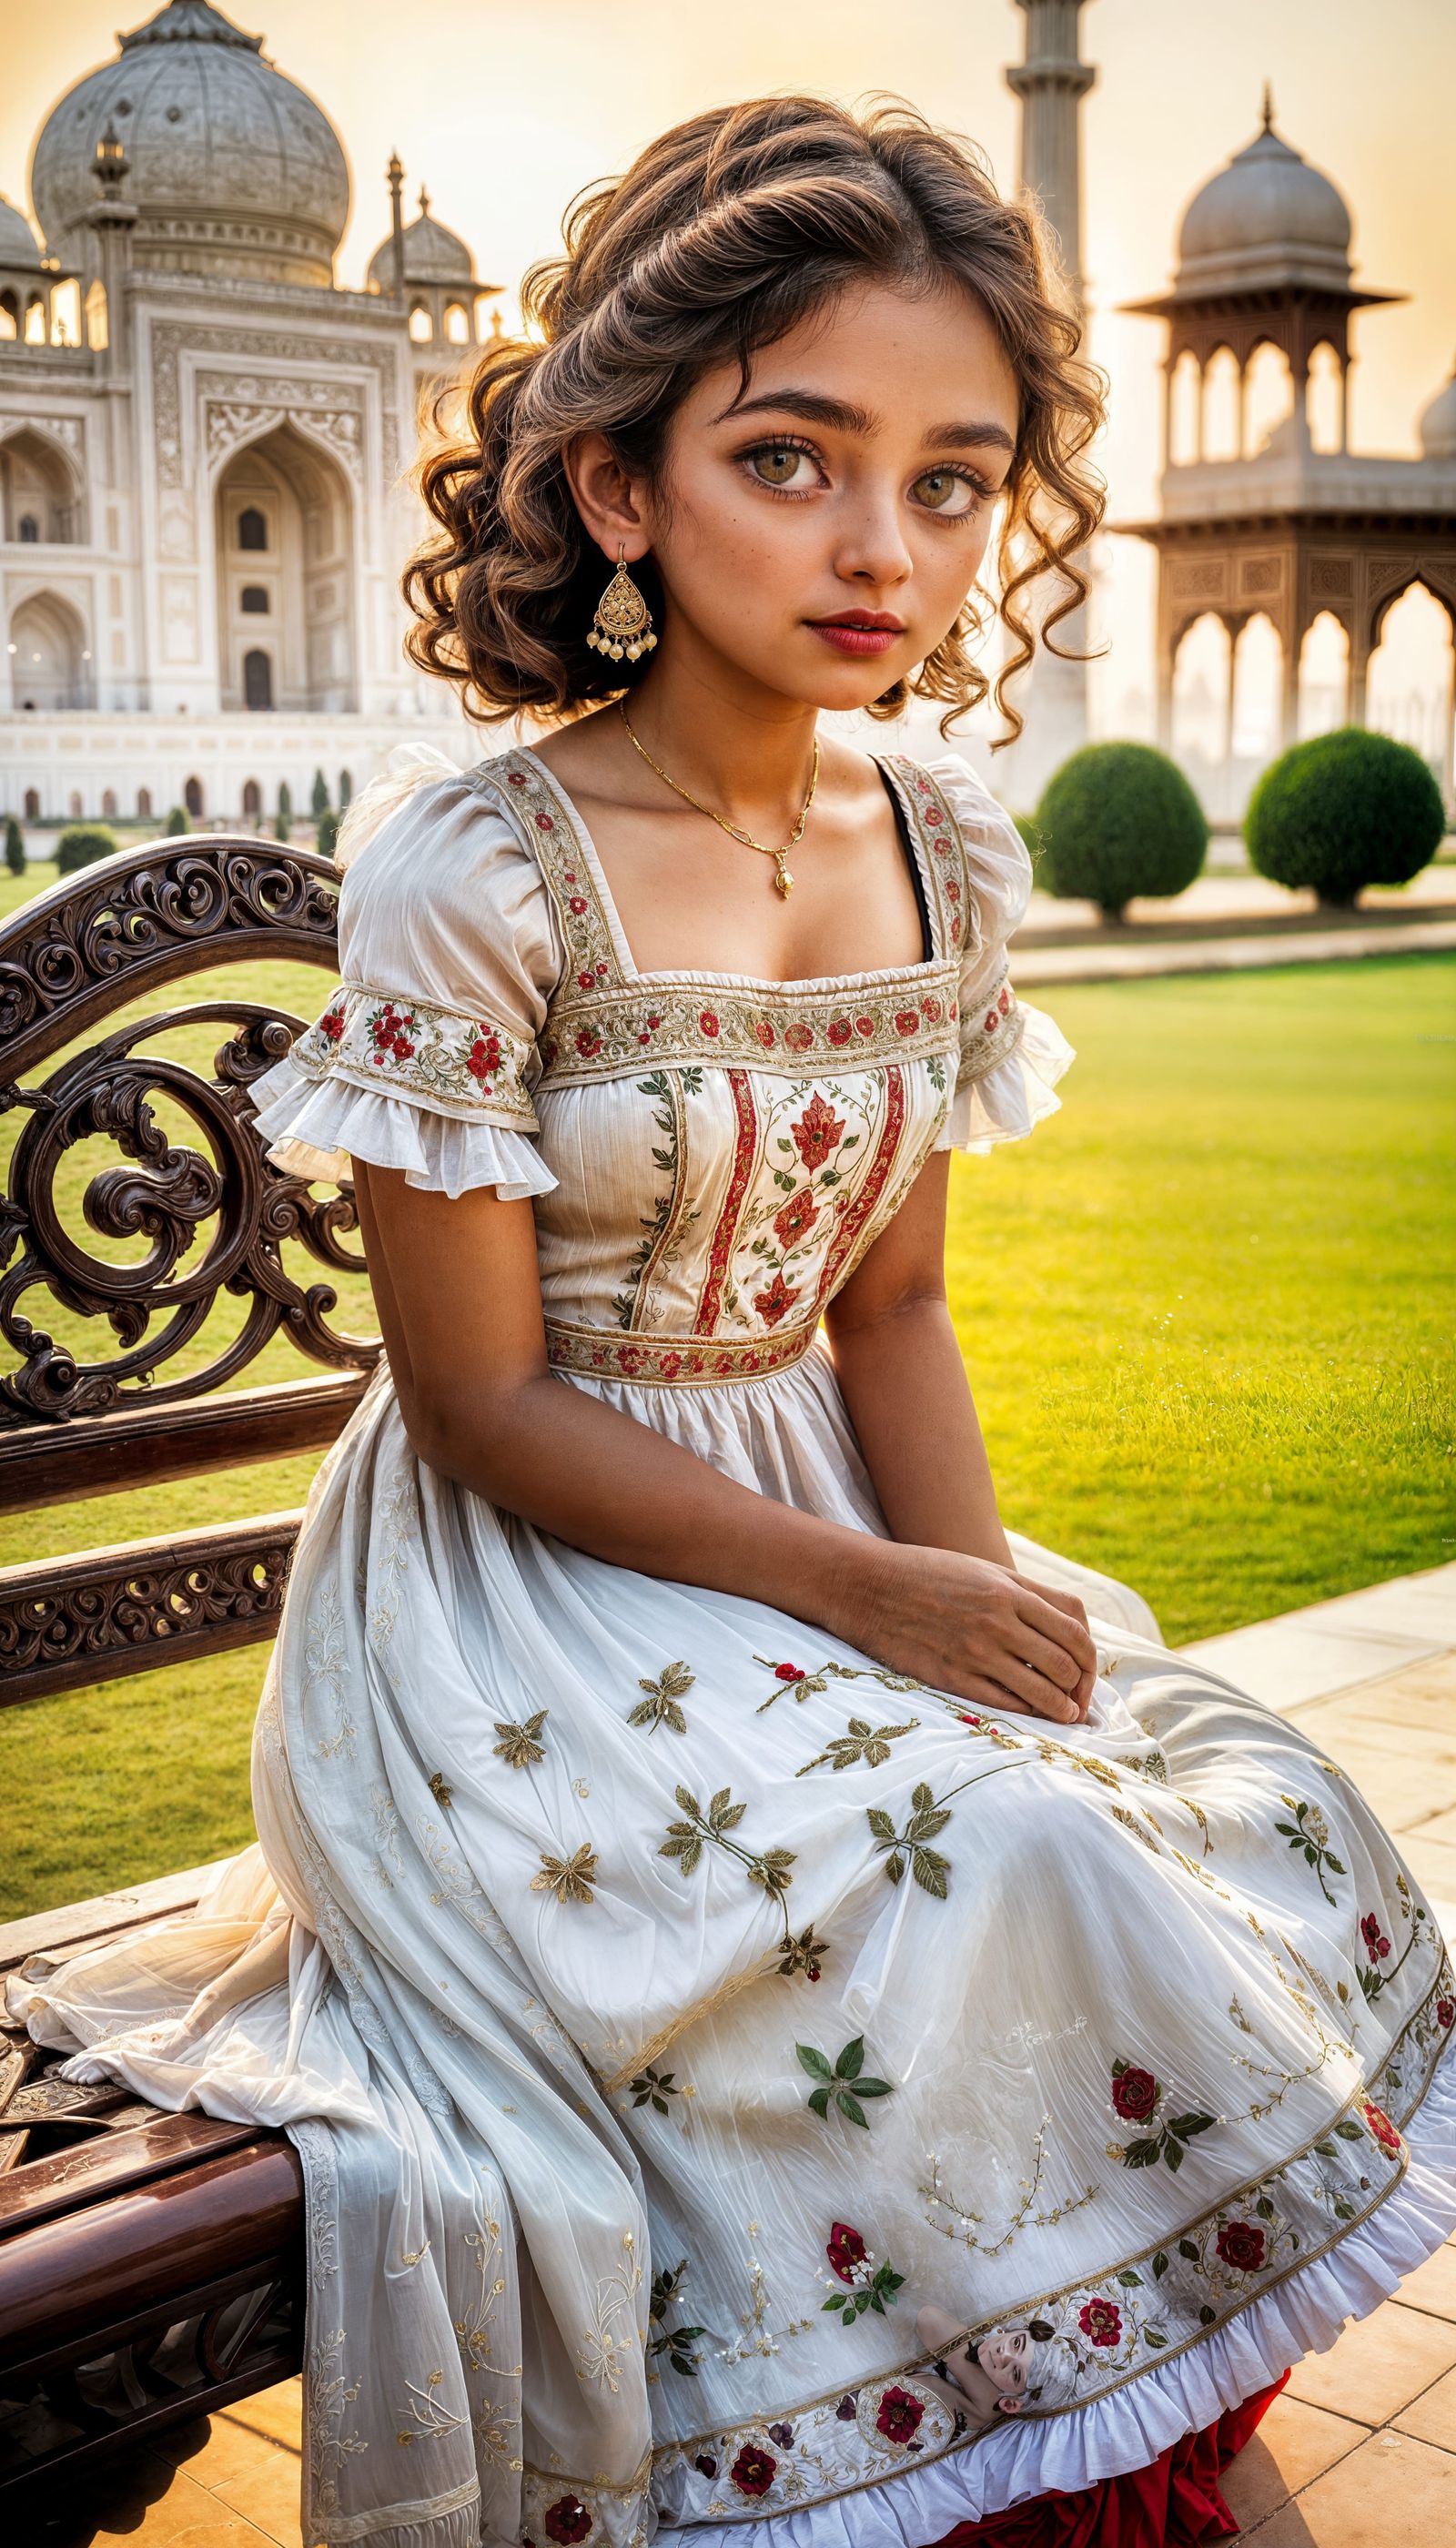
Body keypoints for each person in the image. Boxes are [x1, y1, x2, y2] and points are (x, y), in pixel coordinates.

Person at [12, 95, 1454, 2548]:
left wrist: (981, 1613)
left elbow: (891, 1305)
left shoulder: (937, 840)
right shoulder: (480, 869)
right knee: (1005, 1868)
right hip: (515, 1604)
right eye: (796, 457)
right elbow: (469, 1410)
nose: (886, 545)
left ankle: (1126, 2477)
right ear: (618, 488)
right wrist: (879, 1604)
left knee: (1197, 1804)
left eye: (955, 478)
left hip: (813, 1532)